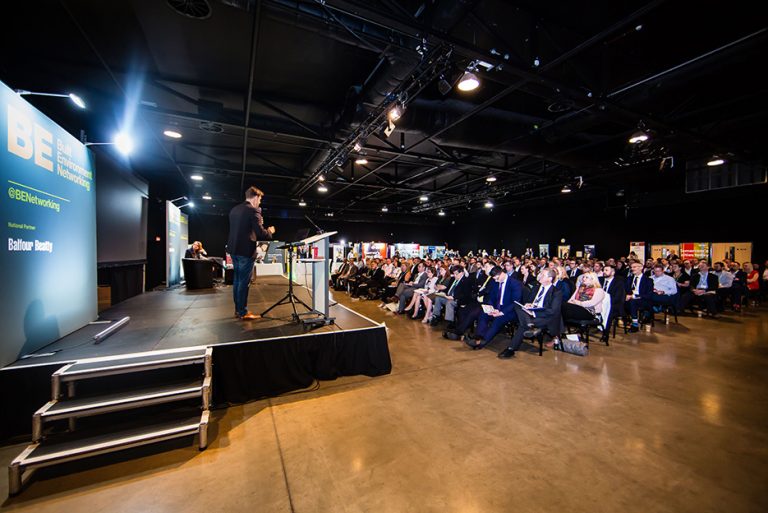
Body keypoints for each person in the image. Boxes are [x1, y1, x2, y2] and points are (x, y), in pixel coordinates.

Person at [227, 186, 275, 320]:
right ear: (255, 197)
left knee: (237, 281)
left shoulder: (234, 209)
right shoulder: (254, 211)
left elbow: (244, 229)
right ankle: (243, 312)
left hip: (234, 250)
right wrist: (270, 230)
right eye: (260, 199)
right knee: (243, 282)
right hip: (245, 251)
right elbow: (262, 234)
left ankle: (238, 310)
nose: (260, 202)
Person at [496, 268, 563, 359]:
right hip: (530, 313)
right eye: (540, 274)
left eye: (543, 275)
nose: (539, 276)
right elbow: (529, 300)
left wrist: (535, 313)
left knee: (523, 325)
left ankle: (511, 349)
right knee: (516, 305)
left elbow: (553, 311)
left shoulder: (556, 292)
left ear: (550, 279)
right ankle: (529, 324)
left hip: (544, 316)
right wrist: (528, 304)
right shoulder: (536, 287)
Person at [463, 266, 522, 350]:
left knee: (498, 320)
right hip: (496, 308)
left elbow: (515, 302)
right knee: (483, 314)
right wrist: (491, 307)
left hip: (510, 310)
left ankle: (481, 343)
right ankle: (478, 337)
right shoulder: (495, 282)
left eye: (497, 278)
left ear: (502, 274)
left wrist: (501, 312)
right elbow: (491, 297)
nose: (496, 280)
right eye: (494, 279)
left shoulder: (515, 283)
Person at [625, 261, 653, 332]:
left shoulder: (648, 280)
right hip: (630, 298)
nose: (632, 269)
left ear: (641, 268)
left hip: (642, 300)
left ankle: (635, 324)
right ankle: (624, 318)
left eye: (634, 267)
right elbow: (626, 290)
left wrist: (634, 296)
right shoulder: (629, 278)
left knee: (633, 302)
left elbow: (648, 295)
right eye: (631, 267)